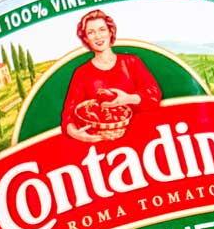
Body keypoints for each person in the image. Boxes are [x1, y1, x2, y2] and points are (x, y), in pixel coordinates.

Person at [61, 9, 161, 144]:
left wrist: (128, 99)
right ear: (85, 38)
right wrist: (76, 133)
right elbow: (69, 113)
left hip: (142, 138)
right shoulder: (82, 73)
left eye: (102, 29)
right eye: (91, 32)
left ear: (110, 32)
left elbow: (154, 94)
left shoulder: (131, 62)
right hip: (103, 145)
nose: (97, 36)